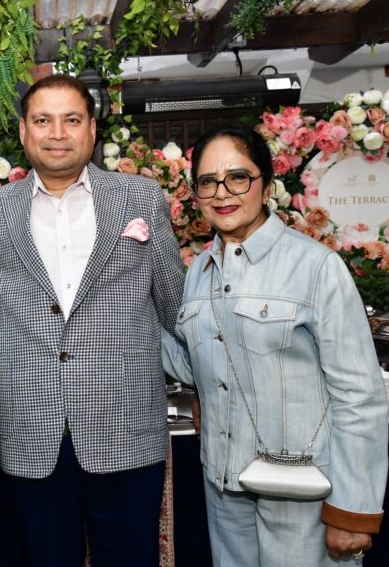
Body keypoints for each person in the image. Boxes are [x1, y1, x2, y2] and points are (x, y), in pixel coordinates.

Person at [0, 74, 185, 565]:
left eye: (71, 119)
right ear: (23, 131)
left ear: (92, 129)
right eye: (42, 120)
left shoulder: (140, 199)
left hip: (127, 430)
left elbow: (176, 306)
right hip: (30, 434)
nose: (57, 133)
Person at [161, 125, 388, 565]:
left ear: (266, 185)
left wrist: (352, 510)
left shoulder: (316, 267)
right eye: (208, 181)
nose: (222, 193)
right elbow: (195, 367)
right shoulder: (199, 272)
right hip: (226, 490)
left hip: (302, 493)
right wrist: (127, 316)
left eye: (238, 177)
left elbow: (360, 395)